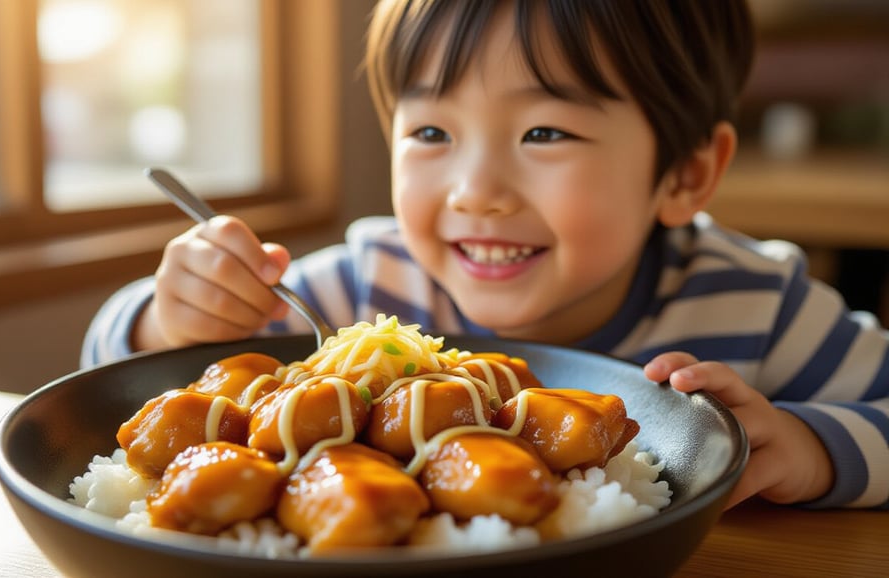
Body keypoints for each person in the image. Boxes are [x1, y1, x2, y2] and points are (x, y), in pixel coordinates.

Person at [82, 0, 888, 510]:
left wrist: (813, 450)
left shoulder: (760, 302)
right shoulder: (355, 289)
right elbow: (104, 381)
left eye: (545, 132)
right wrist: (165, 321)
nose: (476, 190)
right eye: (432, 133)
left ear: (686, 173)